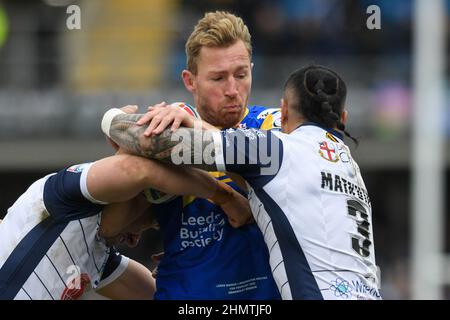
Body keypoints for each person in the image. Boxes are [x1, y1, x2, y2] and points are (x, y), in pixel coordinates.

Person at [101, 64, 382, 300]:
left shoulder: (276, 150)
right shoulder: (351, 168)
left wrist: (111, 118)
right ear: (342, 118)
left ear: (283, 113)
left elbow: (151, 141)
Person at [112, 11, 281, 299]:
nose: (232, 90)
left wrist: (198, 127)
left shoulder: (273, 125)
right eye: (217, 78)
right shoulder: (170, 127)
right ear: (190, 81)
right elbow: (123, 155)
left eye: (241, 75)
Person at [0, 129, 251, 300]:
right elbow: (137, 168)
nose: (136, 239)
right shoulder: (63, 194)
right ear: (143, 195)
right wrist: (226, 197)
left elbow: (160, 295)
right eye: (152, 221)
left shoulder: (99, 257)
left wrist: (184, 267)